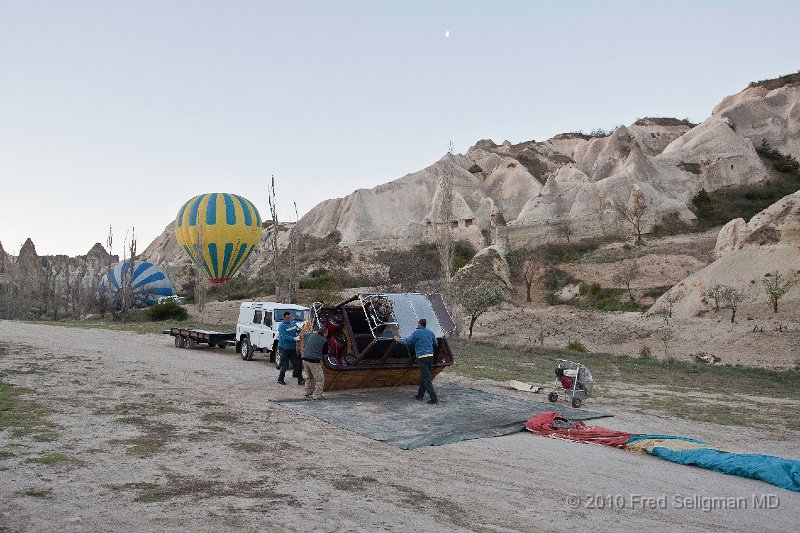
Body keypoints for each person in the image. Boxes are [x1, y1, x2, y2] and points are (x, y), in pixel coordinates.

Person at [394, 318, 439, 404]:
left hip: (422, 357)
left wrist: (398, 339)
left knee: (426, 378)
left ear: (419, 324)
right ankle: (420, 395)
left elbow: (407, 341)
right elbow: (435, 342)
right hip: (430, 357)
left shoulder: (417, 333)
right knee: (425, 376)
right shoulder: (430, 332)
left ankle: (434, 398)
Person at [277, 311, 305, 386]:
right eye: (288, 318)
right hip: (284, 348)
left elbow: (298, 330)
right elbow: (283, 337)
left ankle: (300, 379)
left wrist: (304, 330)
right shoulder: (282, 326)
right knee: (285, 365)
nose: (289, 319)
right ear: (284, 318)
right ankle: (280, 379)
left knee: (297, 364)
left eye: (290, 317)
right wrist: (294, 338)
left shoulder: (293, 323)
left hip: (292, 348)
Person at [301, 326, 328, 400]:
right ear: (325, 333)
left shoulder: (313, 335)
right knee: (320, 379)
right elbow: (325, 353)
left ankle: (307, 391)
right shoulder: (324, 340)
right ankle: (317, 395)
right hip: (314, 361)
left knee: (310, 376)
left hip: (305, 359)